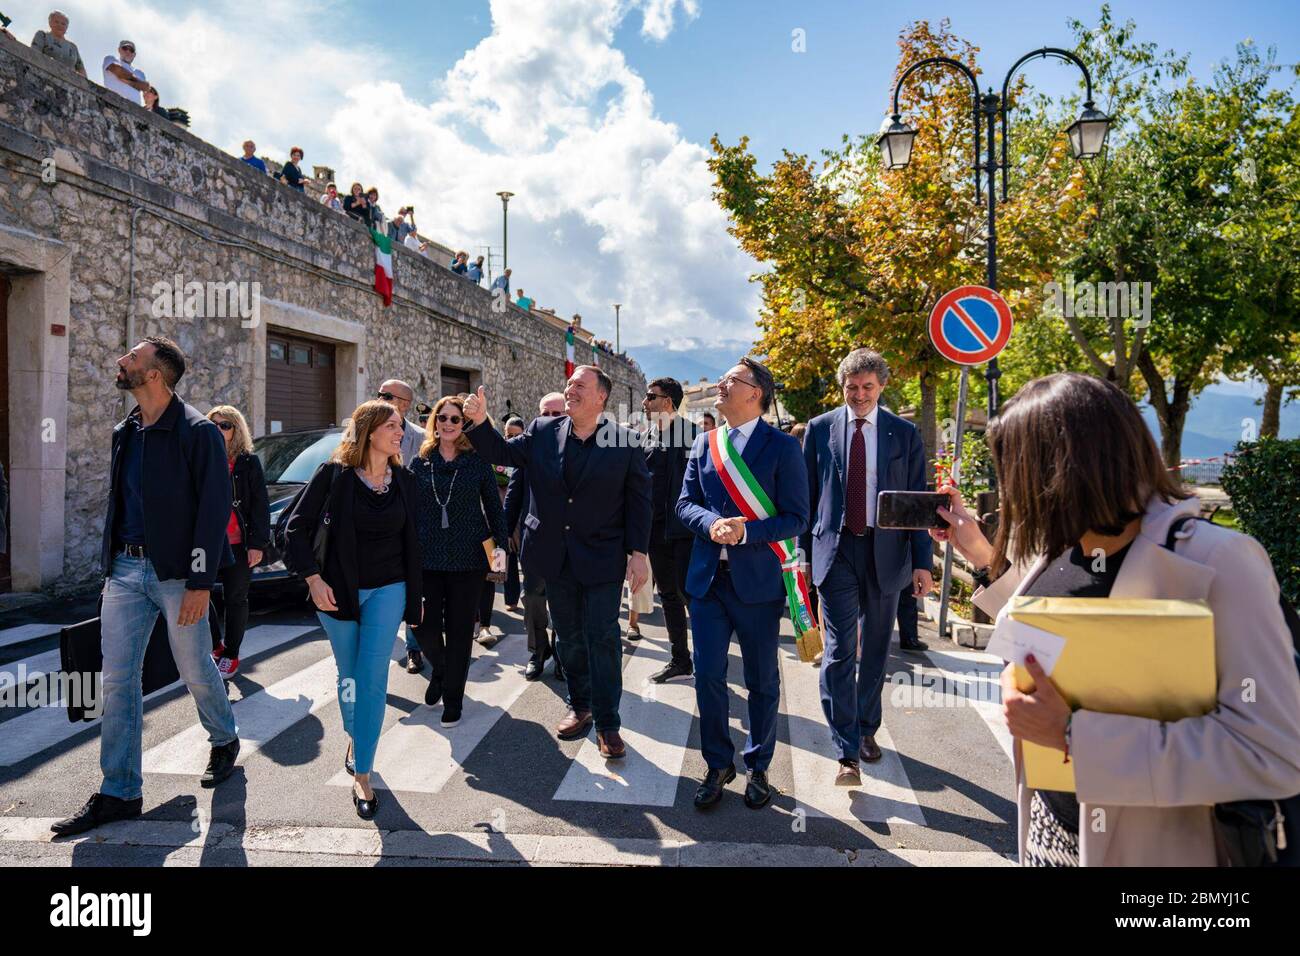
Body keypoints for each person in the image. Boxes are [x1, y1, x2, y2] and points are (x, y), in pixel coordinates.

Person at [933, 372, 1300, 866]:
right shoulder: (1064, 547)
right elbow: (1062, 634)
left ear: (1061, 473)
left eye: (1015, 475)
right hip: (1050, 833)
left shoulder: (1220, 562)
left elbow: (1273, 752)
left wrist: (1071, 736)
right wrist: (978, 551)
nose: (1010, 494)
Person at [52, 338, 241, 837]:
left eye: (132, 358)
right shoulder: (126, 431)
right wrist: (109, 566)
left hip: (179, 575)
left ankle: (223, 737)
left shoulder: (198, 432)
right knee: (116, 680)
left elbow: (214, 509)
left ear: (155, 374)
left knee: (195, 666)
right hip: (125, 572)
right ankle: (120, 791)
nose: (121, 361)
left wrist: (202, 581)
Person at [463, 368, 651, 758]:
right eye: (569, 385)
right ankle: (579, 705)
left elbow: (639, 502)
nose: (571, 390)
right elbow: (503, 454)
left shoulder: (626, 441)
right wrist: (480, 423)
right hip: (553, 555)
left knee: (603, 636)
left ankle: (608, 723)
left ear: (601, 397)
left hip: (602, 557)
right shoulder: (543, 431)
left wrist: (639, 553)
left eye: (580, 386)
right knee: (568, 636)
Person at [678, 358, 809, 810]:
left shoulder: (782, 447)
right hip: (709, 581)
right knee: (708, 676)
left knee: (761, 681)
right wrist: (712, 524)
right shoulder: (703, 444)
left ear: (755, 393)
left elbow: (797, 518)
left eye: (731, 380)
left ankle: (758, 766)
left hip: (757, 584)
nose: (721, 384)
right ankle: (718, 763)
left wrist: (747, 531)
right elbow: (684, 504)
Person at [284, 400, 423, 821]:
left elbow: (416, 544)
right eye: (393, 426)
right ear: (369, 431)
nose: (401, 433)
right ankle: (356, 735)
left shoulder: (405, 482)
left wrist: (419, 597)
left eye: (402, 426)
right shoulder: (334, 477)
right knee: (348, 677)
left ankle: (363, 772)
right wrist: (313, 579)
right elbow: (294, 529)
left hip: (389, 590)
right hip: (337, 592)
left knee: (372, 676)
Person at [801, 348, 932, 788]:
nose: (859, 395)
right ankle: (846, 750)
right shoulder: (820, 430)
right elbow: (805, 497)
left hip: (888, 552)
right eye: (852, 387)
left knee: (876, 648)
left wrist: (922, 563)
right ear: (843, 388)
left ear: (881, 387)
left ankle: (866, 728)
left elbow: (917, 502)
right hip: (834, 551)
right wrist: (800, 558)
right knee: (839, 650)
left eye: (867, 387)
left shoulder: (904, 433)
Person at [408, 396, 507, 724]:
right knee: (423, 625)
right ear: (434, 422)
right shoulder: (420, 463)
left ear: (463, 425)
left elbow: (494, 507)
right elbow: (407, 512)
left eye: (455, 419)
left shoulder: (477, 462)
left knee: (462, 630)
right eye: (443, 418)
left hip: (468, 561)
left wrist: (501, 550)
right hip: (427, 559)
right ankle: (441, 669)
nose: (448, 424)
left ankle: (453, 698)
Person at [641, 377, 700, 682]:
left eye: (650, 397)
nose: (644, 402)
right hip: (656, 531)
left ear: (667, 402)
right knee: (668, 595)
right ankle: (681, 660)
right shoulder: (646, 436)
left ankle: (707, 659)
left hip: (686, 531)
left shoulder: (692, 435)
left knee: (693, 596)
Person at [205, 406, 270, 680]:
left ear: (236, 430)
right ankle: (215, 644)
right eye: (213, 425)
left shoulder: (248, 462)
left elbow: (259, 506)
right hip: (207, 542)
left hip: (238, 543)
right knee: (198, 593)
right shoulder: (202, 459)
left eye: (225, 425)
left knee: (235, 598)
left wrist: (257, 543)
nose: (219, 430)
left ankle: (231, 654)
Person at [506, 393, 567, 681]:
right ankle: (538, 650)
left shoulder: (582, 447)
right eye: (547, 414)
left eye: (558, 414)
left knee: (565, 600)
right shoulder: (528, 449)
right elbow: (515, 493)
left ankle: (563, 653)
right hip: (534, 540)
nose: (552, 420)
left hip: (571, 542)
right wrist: (504, 532)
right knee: (532, 597)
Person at [376, 379, 426, 671]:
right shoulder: (364, 432)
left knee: (410, 586)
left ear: (404, 405)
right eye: (379, 395)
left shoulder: (419, 438)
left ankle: (414, 648)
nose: (379, 399)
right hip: (373, 526)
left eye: (386, 396)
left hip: (407, 522)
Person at [501, 416, 526, 610]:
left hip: (523, 516)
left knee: (526, 560)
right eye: (509, 435)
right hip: (504, 513)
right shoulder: (497, 456)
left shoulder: (526, 455)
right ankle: (511, 599)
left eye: (516, 435)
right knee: (508, 560)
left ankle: (530, 595)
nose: (511, 439)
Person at [31, 11, 86, 77]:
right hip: (44, 76)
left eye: (63, 24)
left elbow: (81, 69)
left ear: (67, 27)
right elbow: (34, 54)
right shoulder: (43, 36)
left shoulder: (73, 47)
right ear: (50, 23)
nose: (59, 25)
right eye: (56, 22)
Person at [102, 40, 147, 105]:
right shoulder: (110, 59)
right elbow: (119, 71)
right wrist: (136, 82)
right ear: (119, 50)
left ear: (134, 55)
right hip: (112, 104)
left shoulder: (140, 73)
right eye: (125, 48)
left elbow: (144, 88)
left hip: (134, 111)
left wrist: (127, 79)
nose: (128, 51)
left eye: (131, 50)